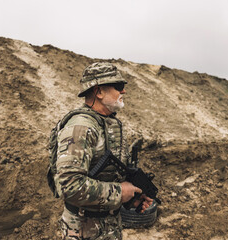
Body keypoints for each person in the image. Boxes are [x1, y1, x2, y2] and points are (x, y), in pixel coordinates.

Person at [53, 62, 153, 239]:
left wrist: (130, 199)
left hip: (109, 227)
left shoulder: (110, 124)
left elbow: (108, 178)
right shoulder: (81, 127)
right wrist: (119, 192)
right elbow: (69, 186)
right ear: (98, 92)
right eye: (119, 86)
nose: (124, 91)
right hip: (84, 230)